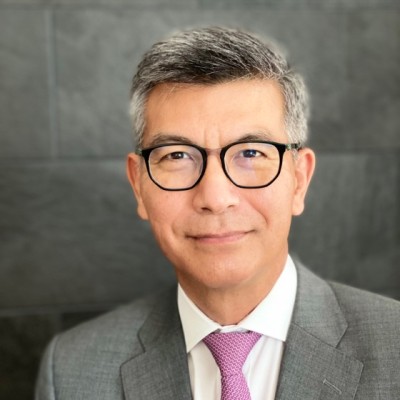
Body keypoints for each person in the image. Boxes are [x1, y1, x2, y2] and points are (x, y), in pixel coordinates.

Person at [35, 27, 400, 400]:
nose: (215, 197)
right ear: (139, 185)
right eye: (177, 155)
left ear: (299, 180)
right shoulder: (71, 373)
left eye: (251, 153)